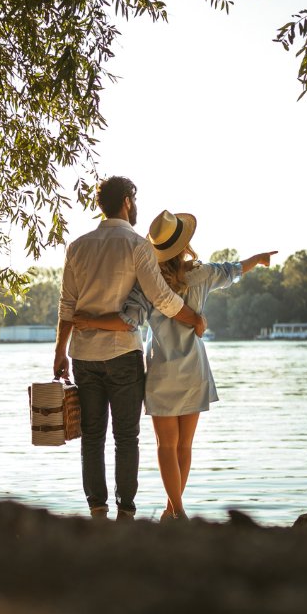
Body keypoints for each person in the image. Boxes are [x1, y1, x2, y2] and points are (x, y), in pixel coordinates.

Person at [74, 209, 275, 520]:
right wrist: (258, 258)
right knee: (185, 446)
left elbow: (128, 321)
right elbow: (234, 269)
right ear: (185, 245)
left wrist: (89, 320)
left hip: (162, 372)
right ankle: (174, 509)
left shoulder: (147, 285)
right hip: (194, 367)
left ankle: (175, 509)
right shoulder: (203, 275)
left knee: (166, 446)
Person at [56, 177, 207, 520]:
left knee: (92, 436)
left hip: (83, 356)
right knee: (126, 437)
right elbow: (162, 299)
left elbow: (67, 305)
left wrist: (59, 353)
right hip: (123, 354)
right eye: (134, 200)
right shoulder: (137, 245)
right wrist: (195, 319)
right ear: (126, 201)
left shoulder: (77, 246)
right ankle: (125, 515)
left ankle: (97, 513)